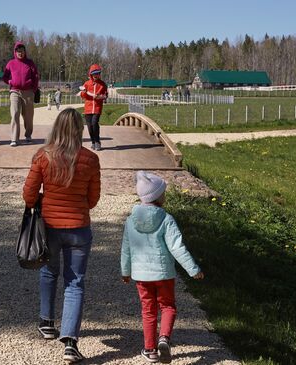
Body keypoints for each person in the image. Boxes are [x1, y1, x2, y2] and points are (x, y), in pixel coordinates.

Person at [23, 108, 101, 364]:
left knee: (48, 272)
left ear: (57, 128)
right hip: (79, 227)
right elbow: (92, 200)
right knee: (75, 282)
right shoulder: (90, 159)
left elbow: (29, 196)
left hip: (50, 227)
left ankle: (46, 322)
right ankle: (70, 343)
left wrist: (46, 201)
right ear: (80, 129)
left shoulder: (43, 156)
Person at [120, 171, 204, 364]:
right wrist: (193, 269)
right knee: (167, 306)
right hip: (164, 274)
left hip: (142, 276)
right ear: (157, 197)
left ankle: (150, 350)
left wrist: (125, 271)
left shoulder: (131, 220)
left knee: (148, 310)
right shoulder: (166, 219)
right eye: (163, 193)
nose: (165, 196)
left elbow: (126, 249)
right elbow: (177, 247)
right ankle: (164, 338)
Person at [2, 41, 40, 147]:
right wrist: (10, 82)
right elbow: (5, 77)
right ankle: (14, 138)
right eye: (18, 51)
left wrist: (33, 89)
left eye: (22, 51)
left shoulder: (30, 63)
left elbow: (36, 77)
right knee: (14, 114)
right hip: (14, 91)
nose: (20, 53)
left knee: (28, 116)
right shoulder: (11, 63)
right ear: (15, 52)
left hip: (28, 92)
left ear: (25, 52)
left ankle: (28, 135)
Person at [79, 64, 108, 151]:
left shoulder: (102, 85)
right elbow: (82, 96)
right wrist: (84, 91)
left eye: (98, 73)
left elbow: (105, 95)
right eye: (94, 74)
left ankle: (97, 142)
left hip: (97, 108)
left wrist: (101, 97)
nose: (96, 75)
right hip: (88, 108)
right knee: (89, 126)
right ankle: (93, 142)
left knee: (94, 123)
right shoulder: (87, 84)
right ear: (91, 74)